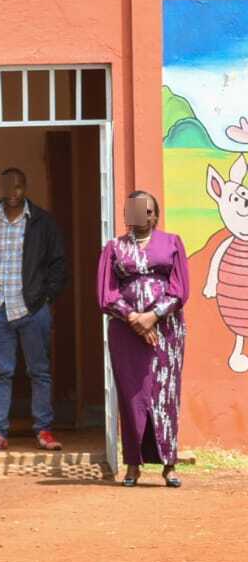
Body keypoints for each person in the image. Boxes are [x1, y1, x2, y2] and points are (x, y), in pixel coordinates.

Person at [0, 168, 68, 452]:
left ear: (26, 187)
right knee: (0, 371)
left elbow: (58, 262)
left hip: (33, 307)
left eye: (19, 187)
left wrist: (47, 296)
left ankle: (43, 430)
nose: (13, 193)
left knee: (40, 371)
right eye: (8, 187)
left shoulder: (42, 222)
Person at [97, 191, 189, 487]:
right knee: (132, 396)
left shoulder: (172, 243)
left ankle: (169, 465)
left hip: (167, 331)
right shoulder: (113, 248)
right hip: (126, 333)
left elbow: (180, 289)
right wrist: (135, 319)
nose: (142, 216)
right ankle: (133, 465)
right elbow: (106, 294)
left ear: (155, 215)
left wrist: (153, 316)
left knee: (165, 394)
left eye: (147, 211)